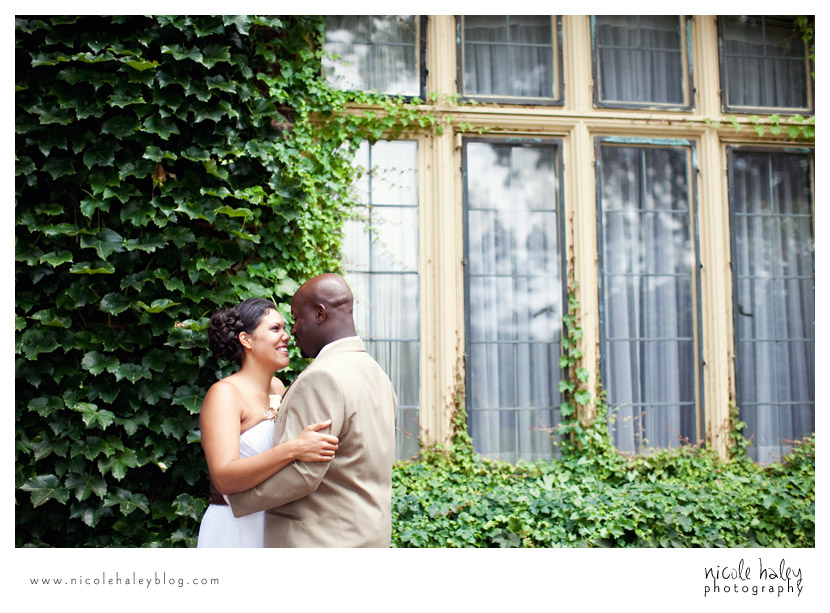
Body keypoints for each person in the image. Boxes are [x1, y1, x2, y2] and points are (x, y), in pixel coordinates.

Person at [228, 273, 397, 547]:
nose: (292, 330)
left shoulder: (322, 377)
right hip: (370, 536)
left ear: (319, 313)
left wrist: (234, 501)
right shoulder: (378, 375)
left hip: (322, 539)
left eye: (296, 318)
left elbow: (304, 473)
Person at [197, 297, 340, 548]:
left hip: (275, 522)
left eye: (285, 328)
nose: (286, 336)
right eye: (275, 329)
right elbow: (224, 478)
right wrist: (293, 448)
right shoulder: (225, 394)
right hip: (233, 528)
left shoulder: (279, 388)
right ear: (247, 339)